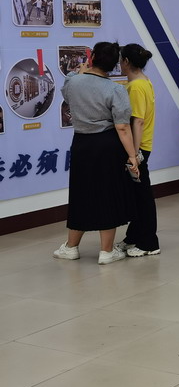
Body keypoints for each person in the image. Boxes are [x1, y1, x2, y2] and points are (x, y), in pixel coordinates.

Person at [53, 41, 139, 264]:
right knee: (107, 194)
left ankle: (71, 247)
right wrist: (132, 155)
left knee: (81, 193)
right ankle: (106, 251)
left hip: (81, 144)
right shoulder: (116, 89)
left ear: (91, 59)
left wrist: (80, 73)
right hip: (107, 145)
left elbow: (68, 95)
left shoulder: (72, 82)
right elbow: (123, 127)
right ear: (114, 65)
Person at [116, 44, 160, 256]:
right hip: (141, 146)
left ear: (126, 61)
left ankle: (149, 243)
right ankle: (133, 236)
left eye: (120, 59)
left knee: (142, 196)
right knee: (136, 194)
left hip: (138, 147)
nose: (118, 63)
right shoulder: (143, 81)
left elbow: (138, 121)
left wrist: (133, 154)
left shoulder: (135, 87)